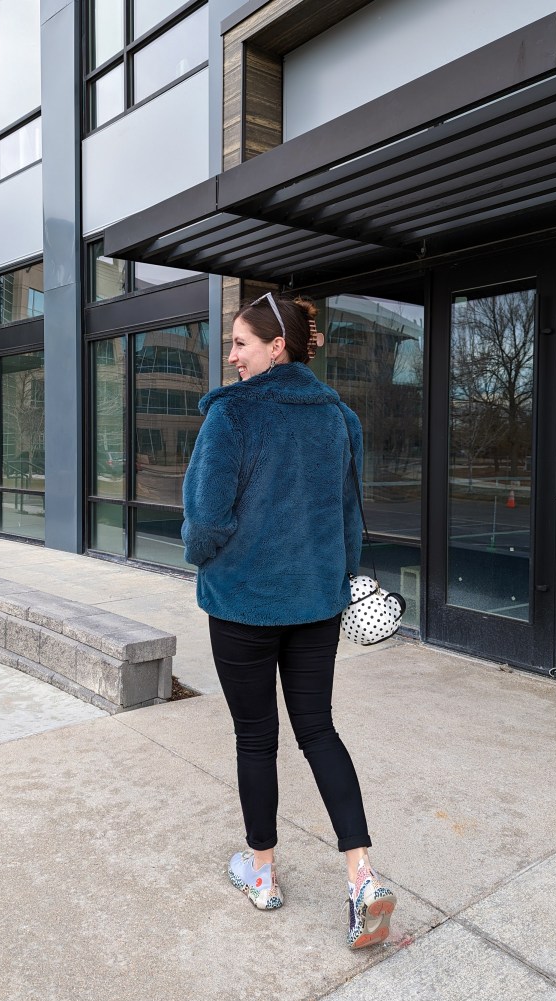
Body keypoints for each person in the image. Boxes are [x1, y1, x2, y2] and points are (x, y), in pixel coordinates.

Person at [181, 291, 396, 949]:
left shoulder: (230, 415)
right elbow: (348, 522)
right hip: (314, 604)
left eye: (241, 343)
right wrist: (332, 580)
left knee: (255, 736)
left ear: (277, 346)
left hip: (243, 603)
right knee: (318, 730)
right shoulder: (338, 418)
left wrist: (202, 553)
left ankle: (263, 874)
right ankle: (361, 877)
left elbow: (205, 524)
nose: (233, 356)